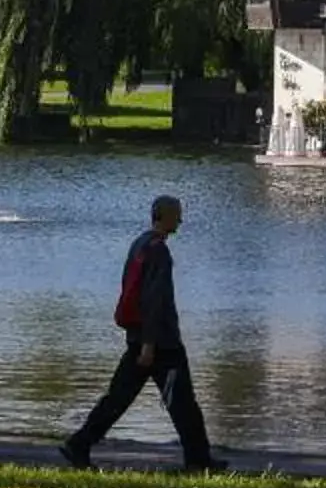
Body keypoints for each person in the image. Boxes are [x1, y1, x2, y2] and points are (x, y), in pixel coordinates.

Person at [58, 194, 225, 473]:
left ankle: (80, 444)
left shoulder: (140, 243)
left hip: (138, 339)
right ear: (165, 216)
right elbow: (153, 300)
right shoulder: (159, 251)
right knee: (183, 404)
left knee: (118, 398)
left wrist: (138, 338)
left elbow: (130, 291)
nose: (181, 220)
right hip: (161, 345)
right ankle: (198, 461)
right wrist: (150, 344)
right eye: (177, 215)